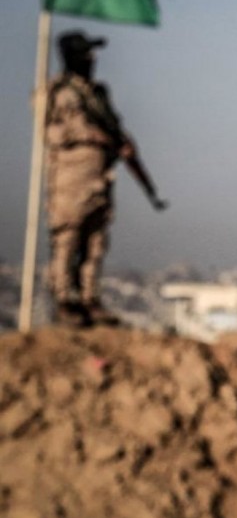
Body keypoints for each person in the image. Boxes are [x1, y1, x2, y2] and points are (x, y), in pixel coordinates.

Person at [44, 30, 166, 327]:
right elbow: (59, 132)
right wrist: (103, 139)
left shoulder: (97, 94)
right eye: (87, 53)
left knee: (95, 242)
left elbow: (115, 130)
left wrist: (122, 146)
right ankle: (65, 300)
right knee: (68, 238)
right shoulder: (58, 93)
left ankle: (90, 298)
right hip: (71, 178)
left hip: (100, 178)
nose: (93, 59)